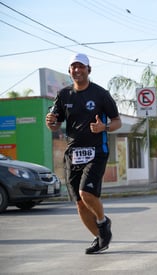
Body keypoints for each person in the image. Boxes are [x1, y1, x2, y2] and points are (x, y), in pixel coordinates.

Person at [45, 53, 122, 254]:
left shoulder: (101, 94)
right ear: (69, 71)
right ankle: (100, 238)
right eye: (73, 67)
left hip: (96, 151)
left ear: (89, 70)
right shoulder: (63, 95)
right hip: (73, 154)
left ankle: (103, 222)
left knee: (85, 192)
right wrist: (50, 123)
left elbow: (117, 122)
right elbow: (55, 125)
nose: (77, 70)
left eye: (81, 66)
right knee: (79, 204)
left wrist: (103, 127)